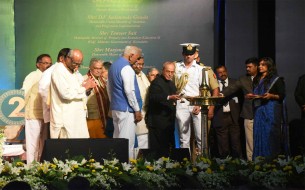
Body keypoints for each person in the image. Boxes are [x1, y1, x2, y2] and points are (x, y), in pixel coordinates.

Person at [174, 43, 219, 153]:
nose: (188, 56)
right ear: (182, 54)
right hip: (182, 103)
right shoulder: (176, 67)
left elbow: (204, 89)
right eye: (186, 54)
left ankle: (203, 163)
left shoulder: (201, 69)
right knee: (183, 137)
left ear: (195, 54)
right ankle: (185, 163)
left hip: (196, 103)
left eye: (190, 54)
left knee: (201, 136)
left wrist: (199, 104)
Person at [50, 49, 96, 139]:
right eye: (75, 63)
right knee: (68, 147)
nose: (77, 66)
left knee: (81, 146)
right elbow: (65, 93)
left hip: (78, 117)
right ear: (67, 58)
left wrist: (88, 87)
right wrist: (85, 87)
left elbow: (80, 88)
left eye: (79, 64)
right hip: (66, 117)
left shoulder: (74, 71)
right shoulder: (59, 71)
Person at [107, 45, 143, 159]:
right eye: (136, 58)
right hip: (127, 110)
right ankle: (127, 169)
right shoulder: (127, 68)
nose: (137, 61)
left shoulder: (113, 66)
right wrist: (137, 110)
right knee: (127, 143)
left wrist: (113, 102)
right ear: (131, 56)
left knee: (118, 140)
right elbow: (129, 91)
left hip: (116, 108)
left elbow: (109, 88)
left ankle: (116, 166)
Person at [221, 57, 258, 161]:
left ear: (256, 66)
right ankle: (251, 162)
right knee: (249, 140)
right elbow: (231, 88)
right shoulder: (243, 79)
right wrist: (220, 94)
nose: (247, 69)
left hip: (262, 112)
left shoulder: (263, 78)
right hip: (249, 113)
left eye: (250, 67)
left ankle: (263, 161)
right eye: (246, 67)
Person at [249, 57, 286, 160]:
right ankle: (259, 161)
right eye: (260, 64)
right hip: (259, 110)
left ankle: (271, 161)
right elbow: (257, 93)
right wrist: (251, 95)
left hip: (270, 110)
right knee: (258, 134)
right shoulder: (257, 78)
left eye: (263, 65)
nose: (260, 66)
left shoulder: (276, 79)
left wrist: (271, 96)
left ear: (269, 66)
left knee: (269, 134)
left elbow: (281, 95)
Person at [22, 54, 52, 164]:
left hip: (46, 115)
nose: (48, 65)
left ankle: (39, 168)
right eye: (45, 63)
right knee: (32, 145)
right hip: (33, 114)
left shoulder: (49, 76)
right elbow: (24, 93)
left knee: (42, 145)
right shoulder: (33, 76)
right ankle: (30, 169)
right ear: (38, 64)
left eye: (49, 63)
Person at [146, 61, 180, 151]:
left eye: (172, 72)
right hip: (158, 123)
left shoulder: (171, 84)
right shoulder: (156, 82)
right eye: (168, 71)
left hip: (168, 122)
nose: (170, 74)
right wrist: (169, 97)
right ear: (163, 70)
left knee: (168, 150)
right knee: (157, 151)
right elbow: (153, 97)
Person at [39, 48, 70, 138]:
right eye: (70, 59)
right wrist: (51, 105)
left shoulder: (68, 71)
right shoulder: (51, 71)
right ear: (61, 59)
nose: (72, 62)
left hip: (66, 114)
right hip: (53, 113)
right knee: (54, 142)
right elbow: (43, 89)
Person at [213, 65, 242, 158]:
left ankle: (239, 163)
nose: (223, 74)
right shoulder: (214, 85)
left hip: (233, 116)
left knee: (236, 142)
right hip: (220, 116)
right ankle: (224, 164)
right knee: (223, 143)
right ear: (216, 74)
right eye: (220, 73)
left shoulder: (235, 83)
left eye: (224, 71)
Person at [84, 58, 109, 138]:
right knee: (93, 146)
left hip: (104, 117)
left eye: (100, 68)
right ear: (90, 68)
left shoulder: (103, 81)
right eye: (96, 68)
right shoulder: (84, 79)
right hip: (92, 118)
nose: (98, 71)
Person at [131, 55, 150, 149]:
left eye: (142, 64)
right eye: (138, 64)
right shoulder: (130, 75)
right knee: (138, 141)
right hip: (136, 112)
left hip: (146, 113)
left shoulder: (142, 75)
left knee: (145, 140)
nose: (140, 66)